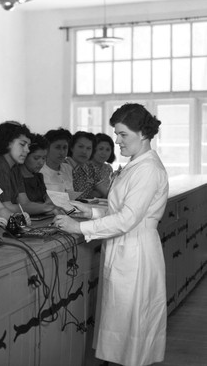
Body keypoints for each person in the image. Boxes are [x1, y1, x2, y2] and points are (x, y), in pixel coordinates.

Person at [53, 103, 168, 366]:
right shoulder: (136, 164)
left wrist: (78, 227)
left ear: (143, 134)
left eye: (123, 134)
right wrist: (90, 213)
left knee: (132, 324)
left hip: (136, 252)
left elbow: (128, 219)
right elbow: (121, 210)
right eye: (116, 134)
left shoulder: (148, 169)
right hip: (124, 248)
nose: (117, 141)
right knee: (121, 324)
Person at [0, 121, 56, 218]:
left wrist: (47, 207)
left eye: (28, 146)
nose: (27, 150)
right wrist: (46, 208)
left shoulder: (15, 167)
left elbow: (24, 202)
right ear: (7, 143)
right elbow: (7, 207)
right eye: (22, 144)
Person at [19, 133, 61, 213]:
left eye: (44, 158)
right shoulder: (16, 177)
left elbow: (46, 200)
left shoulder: (38, 177)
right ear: (25, 155)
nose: (41, 162)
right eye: (36, 158)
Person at [66, 131, 107, 199]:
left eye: (88, 148)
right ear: (72, 147)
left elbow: (105, 192)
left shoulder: (92, 169)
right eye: (80, 146)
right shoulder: (62, 166)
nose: (84, 151)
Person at [40, 128, 74, 192]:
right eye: (57, 147)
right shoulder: (39, 169)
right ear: (47, 149)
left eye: (65, 148)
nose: (62, 152)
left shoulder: (67, 168)